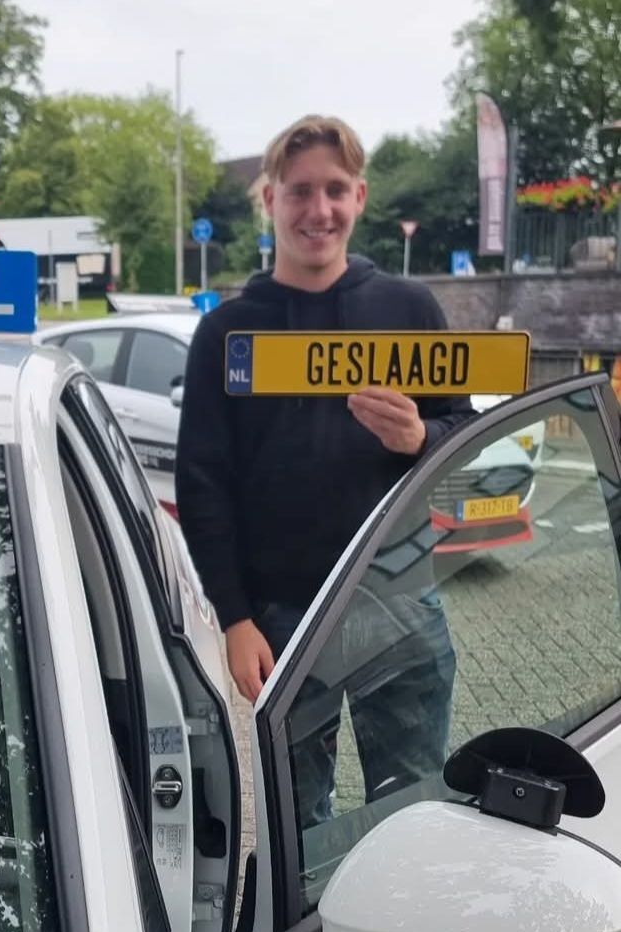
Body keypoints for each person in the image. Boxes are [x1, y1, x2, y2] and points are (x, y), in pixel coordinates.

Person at [174, 115, 475, 827]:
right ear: (270, 199)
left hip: (401, 600)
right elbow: (203, 483)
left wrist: (420, 436)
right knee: (296, 823)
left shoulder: (409, 309)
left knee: (415, 812)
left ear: (360, 197)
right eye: (300, 191)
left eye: (335, 190)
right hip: (282, 616)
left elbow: (463, 436)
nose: (319, 209)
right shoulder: (226, 333)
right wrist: (234, 617)